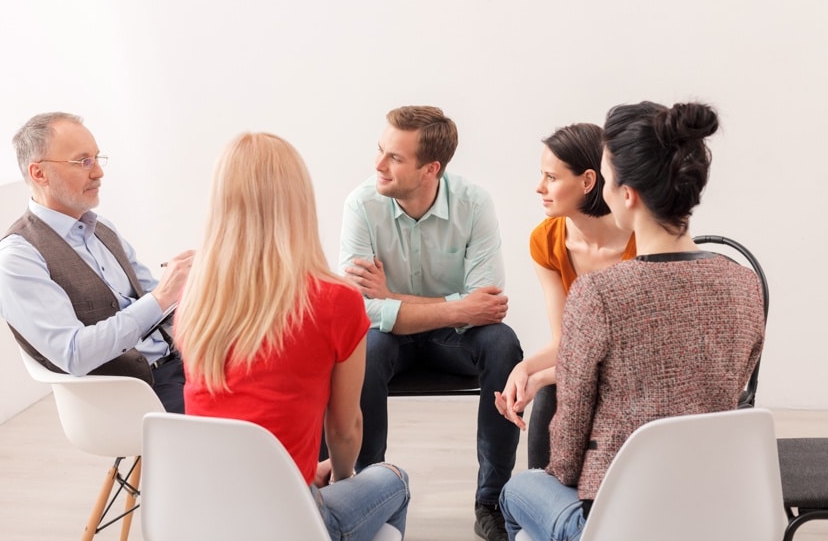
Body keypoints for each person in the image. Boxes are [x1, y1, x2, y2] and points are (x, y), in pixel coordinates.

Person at [497, 101, 765, 540]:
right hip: (715, 509)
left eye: (605, 179)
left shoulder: (599, 294)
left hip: (617, 520)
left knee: (519, 490)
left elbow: (564, 457)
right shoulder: (745, 284)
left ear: (627, 194)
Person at [177, 132, 409, 541]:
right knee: (394, 478)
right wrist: (340, 479)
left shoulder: (198, 295)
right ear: (298, 202)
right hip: (288, 523)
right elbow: (344, 429)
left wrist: (304, 472)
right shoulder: (335, 301)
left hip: (200, 519)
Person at [340, 105, 523, 541]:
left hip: (453, 343)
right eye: (380, 151)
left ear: (430, 169)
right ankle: (368, 492)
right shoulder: (362, 204)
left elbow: (489, 302)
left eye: (394, 158)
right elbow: (357, 310)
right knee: (364, 344)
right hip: (389, 341)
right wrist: (458, 308)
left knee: (502, 344)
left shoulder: (474, 203)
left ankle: (491, 502)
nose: (378, 165)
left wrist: (392, 299)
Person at [0, 112, 194, 413]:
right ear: (39, 174)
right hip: (133, 394)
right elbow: (74, 354)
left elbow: (158, 303)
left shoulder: (102, 230)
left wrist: (198, 291)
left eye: (97, 158)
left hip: (179, 364)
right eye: (83, 161)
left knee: (275, 383)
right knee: (245, 425)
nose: (98, 172)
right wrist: (162, 296)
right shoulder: (17, 259)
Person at [494, 123, 635, 469]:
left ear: (588, 181)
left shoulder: (641, 239)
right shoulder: (546, 241)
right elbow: (566, 341)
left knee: (549, 386)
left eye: (551, 177)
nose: (539, 187)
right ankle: (544, 496)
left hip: (636, 371)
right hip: (583, 365)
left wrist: (542, 375)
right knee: (546, 392)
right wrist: (523, 369)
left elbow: (628, 351)